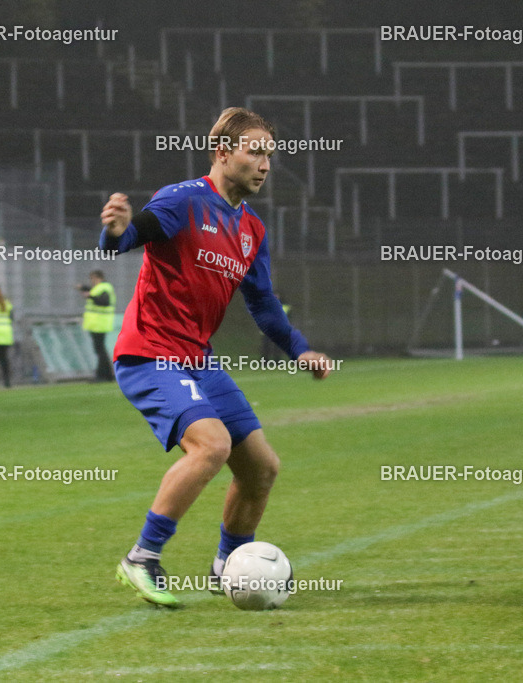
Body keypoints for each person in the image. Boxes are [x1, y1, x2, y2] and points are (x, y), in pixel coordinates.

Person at [101, 107, 333, 607]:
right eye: (255, 151)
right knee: (211, 445)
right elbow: (131, 236)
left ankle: (228, 565)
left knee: (262, 468)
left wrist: (299, 349)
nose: (265, 164)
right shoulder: (183, 201)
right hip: (149, 352)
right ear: (223, 151)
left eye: (269, 154)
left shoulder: (251, 228)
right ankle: (141, 558)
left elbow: (264, 304)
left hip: (198, 360)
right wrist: (116, 233)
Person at [78, 270, 116, 381]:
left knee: (99, 350)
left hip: (99, 323)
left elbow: (104, 301)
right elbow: (94, 293)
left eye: (93, 279)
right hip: (98, 323)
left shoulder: (104, 288)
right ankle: (108, 375)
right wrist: (83, 288)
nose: (92, 281)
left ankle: (101, 375)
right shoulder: (101, 288)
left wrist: (90, 296)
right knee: (100, 349)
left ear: (98, 277)